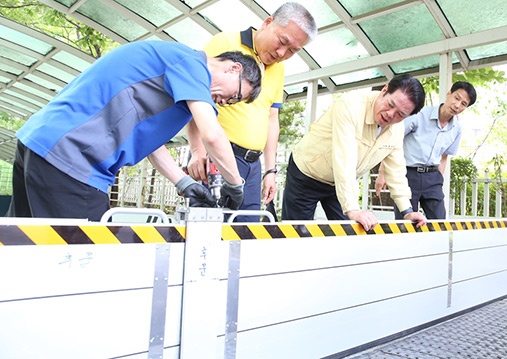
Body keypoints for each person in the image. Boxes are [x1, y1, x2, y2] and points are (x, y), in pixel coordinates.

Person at [6, 40, 263, 221]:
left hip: (40, 146)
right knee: (82, 261)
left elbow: (150, 144)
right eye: (235, 96)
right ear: (234, 68)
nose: (225, 103)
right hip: (71, 160)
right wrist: (235, 184)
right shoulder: (192, 64)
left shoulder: (172, 71)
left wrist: (184, 183)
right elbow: (213, 135)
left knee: (21, 245)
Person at [184, 2, 317, 222]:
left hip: (253, 165)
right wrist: (197, 150)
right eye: (282, 42)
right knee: (210, 228)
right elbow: (193, 95)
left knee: (248, 231)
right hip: (216, 155)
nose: (282, 53)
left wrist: (270, 171)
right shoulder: (225, 42)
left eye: (293, 50)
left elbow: (271, 119)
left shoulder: (279, 68)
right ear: (268, 22)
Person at [281, 74, 428, 231]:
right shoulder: (350, 105)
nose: (391, 114)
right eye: (390, 104)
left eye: (400, 114)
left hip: (340, 184)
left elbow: (396, 169)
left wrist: (407, 211)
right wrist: (352, 209)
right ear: (384, 90)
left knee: (352, 232)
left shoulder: (397, 129)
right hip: (307, 174)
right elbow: (344, 158)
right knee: (297, 235)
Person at [375, 81, 477, 219]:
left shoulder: (456, 129)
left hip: (433, 178)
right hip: (407, 175)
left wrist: (439, 179)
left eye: (464, 104)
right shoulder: (420, 114)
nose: (457, 105)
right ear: (448, 94)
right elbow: (393, 140)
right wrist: (383, 172)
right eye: (456, 98)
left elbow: (444, 157)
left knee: (439, 222)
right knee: (406, 222)